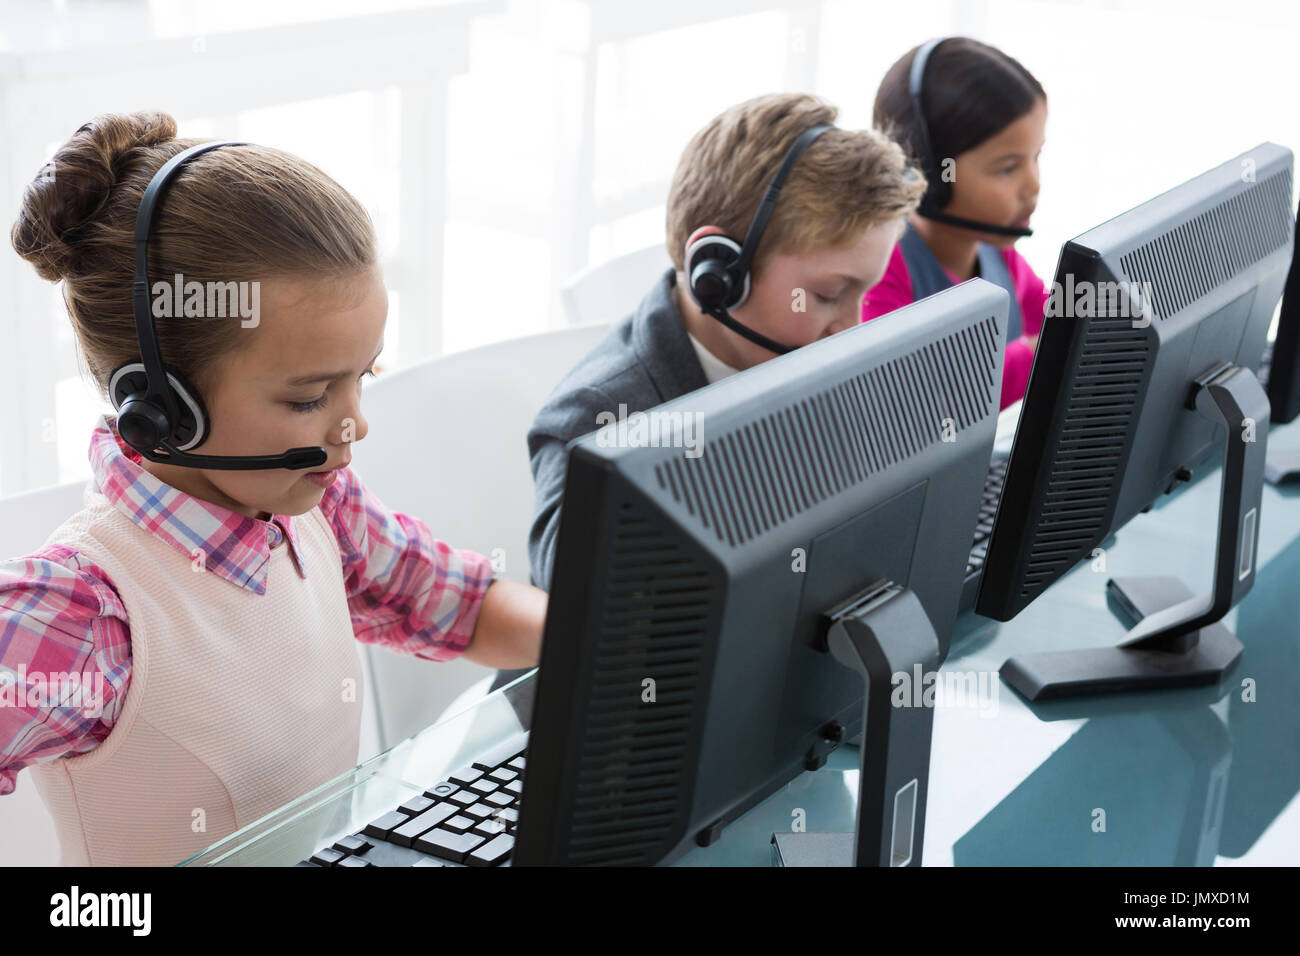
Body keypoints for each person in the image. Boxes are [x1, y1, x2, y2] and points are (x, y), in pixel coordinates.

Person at [1, 110, 547, 865]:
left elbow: (455, 600)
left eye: (364, 376)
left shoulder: (320, 508)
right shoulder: (83, 615)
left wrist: (616, 651)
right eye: (308, 399)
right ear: (161, 407)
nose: (354, 425)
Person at [526, 92, 925, 593]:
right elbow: (570, 613)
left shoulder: (811, 361)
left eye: (864, 293)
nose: (852, 324)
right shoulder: (597, 420)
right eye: (828, 294)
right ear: (719, 274)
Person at [864, 36, 1049, 409]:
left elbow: (1054, 319)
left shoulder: (999, 256)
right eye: (1008, 168)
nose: (1033, 185)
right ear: (926, 169)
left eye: (1036, 157)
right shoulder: (880, 270)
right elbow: (913, 397)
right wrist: (1041, 357)